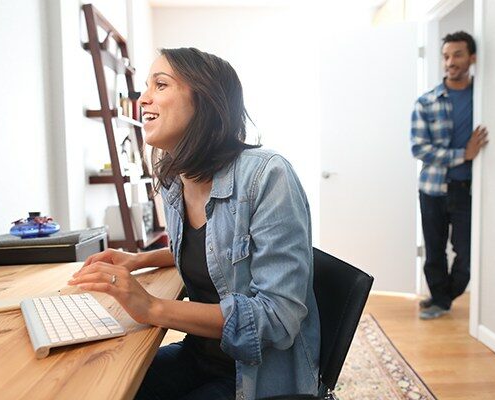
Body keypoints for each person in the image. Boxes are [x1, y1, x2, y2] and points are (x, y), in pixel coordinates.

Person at [69, 47, 320, 400]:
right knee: (96, 385)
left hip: (253, 376)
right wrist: (138, 260)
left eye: (160, 85)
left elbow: (278, 318)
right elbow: (212, 248)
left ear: (205, 100)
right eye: (146, 86)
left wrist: (152, 307)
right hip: (199, 356)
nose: (143, 99)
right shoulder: (175, 179)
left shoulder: (267, 175)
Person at [410, 31, 489, 320]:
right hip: (432, 188)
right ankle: (441, 301)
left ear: (472, 57)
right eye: (446, 56)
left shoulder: (484, 97)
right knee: (434, 249)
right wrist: (462, 154)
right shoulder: (426, 102)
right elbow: (420, 149)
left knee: (466, 252)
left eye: (457, 55)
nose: (450, 62)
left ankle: (444, 295)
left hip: (466, 188)